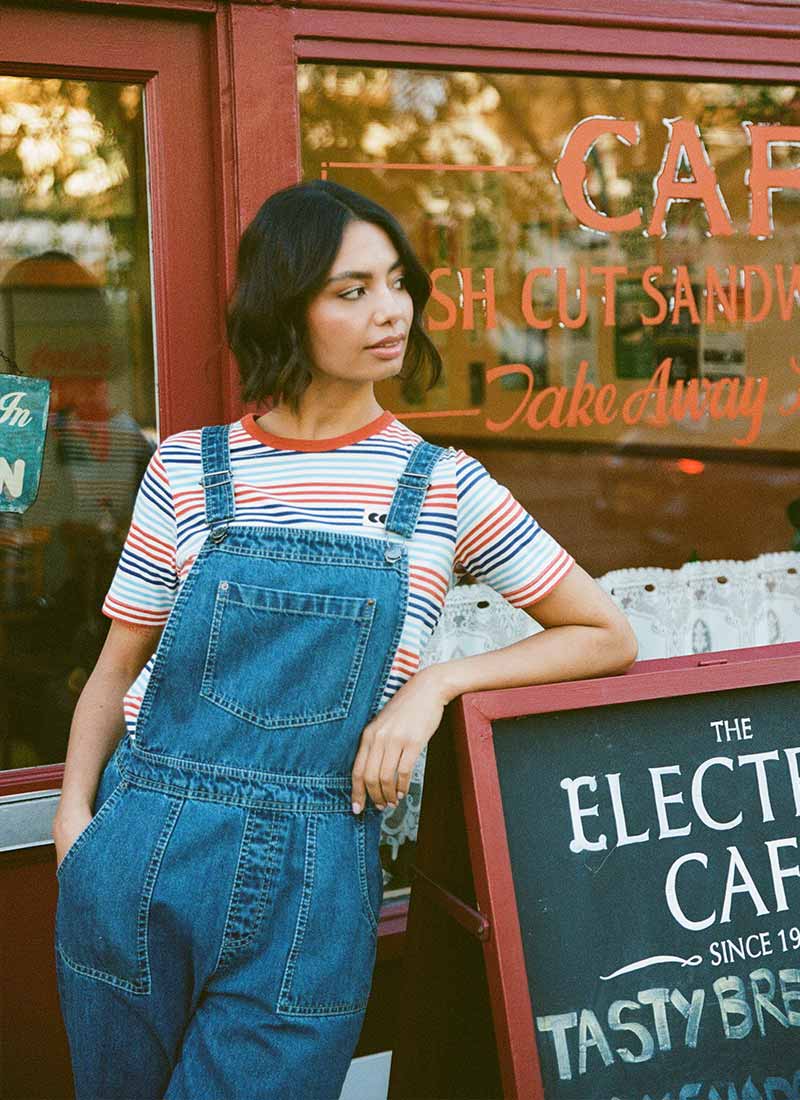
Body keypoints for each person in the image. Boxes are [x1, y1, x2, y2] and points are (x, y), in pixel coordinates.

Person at [51, 179, 638, 1100]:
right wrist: (73, 825)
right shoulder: (188, 466)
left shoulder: (442, 484)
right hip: (139, 849)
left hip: (316, 872)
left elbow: (603, 634)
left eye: (397, 282)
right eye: (351, 290)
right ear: (288, 307)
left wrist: (432, 687)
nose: (390, 311)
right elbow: (113, 670)